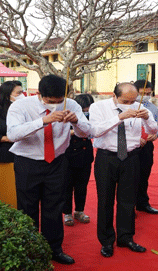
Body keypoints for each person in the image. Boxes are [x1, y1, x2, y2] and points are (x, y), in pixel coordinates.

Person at [7, 74, 91, 265]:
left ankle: (54, 249)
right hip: (28, 161)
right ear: (39, 94)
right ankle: (29, 251)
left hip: (58, 161)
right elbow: (12, 134)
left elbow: (87, 131)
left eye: (59, 101)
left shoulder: (71, 104)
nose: (56, 104)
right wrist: (44, 121)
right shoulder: (21, 106)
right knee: (27, 208)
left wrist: (77, 121)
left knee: (54, 207)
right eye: (50, 101)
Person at [89, 83, 158, 258]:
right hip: (107, 157)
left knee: (128, 200)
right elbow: (95, 131)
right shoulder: (98, 107)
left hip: (131, 157)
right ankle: (106, 241)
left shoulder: (139, 105)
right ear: (114, 95)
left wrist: (147, 118)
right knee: (105, 199)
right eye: (125, 101)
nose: (130, 104)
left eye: (132, 101)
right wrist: (119, 117)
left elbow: (153, 131)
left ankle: (126, 237)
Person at [63, 94, 95, 226]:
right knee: (67, 185)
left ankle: (79, 210)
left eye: (88, 109)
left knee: (82, 185)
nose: (85, 112)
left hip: (85, 152)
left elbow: (93, 131)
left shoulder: (94, 115)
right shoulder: (68, 114)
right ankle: (67, 213)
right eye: (83, 110)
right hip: (68, 152)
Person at [134, 80, 158, 214]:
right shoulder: (127, 106)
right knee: (129, 177)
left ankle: (142, 203)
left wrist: (156, 134)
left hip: (146, 146)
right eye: (143, 93)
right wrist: (134, 138)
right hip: (129, 147)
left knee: (144, 174)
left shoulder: (153, 108)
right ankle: (128, 206)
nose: (146, 95)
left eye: (149, 93)